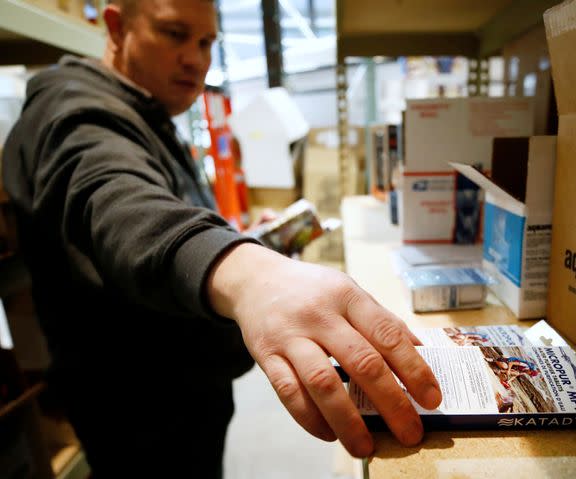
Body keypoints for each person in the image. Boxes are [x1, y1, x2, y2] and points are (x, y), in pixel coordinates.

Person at [1, 0, 441, 476]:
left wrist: (243, 238)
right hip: (141, 415)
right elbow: (118, 205)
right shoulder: (75, 115)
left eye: (206, 41)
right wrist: (251, 275)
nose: (196, 58)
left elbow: (165, 202)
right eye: (174, 33)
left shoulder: (146, 110)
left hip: (187, 395)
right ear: (116, 25)